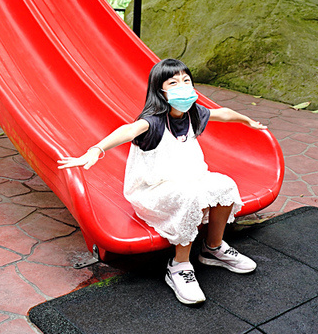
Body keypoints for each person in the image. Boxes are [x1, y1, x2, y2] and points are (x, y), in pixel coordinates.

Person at [58, 58, 267, 306]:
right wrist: (96, 149)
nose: (182, 86)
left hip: (191, 178)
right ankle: (179, 266)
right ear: (161, 91)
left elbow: (222, 113)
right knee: (190, 196)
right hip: (154, 191)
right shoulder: (154, 121)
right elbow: (128, 130)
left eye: (186, 81)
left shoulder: (193, 113)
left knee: (225, 185)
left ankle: (213, 248)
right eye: (174, 82)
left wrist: (247, 121)